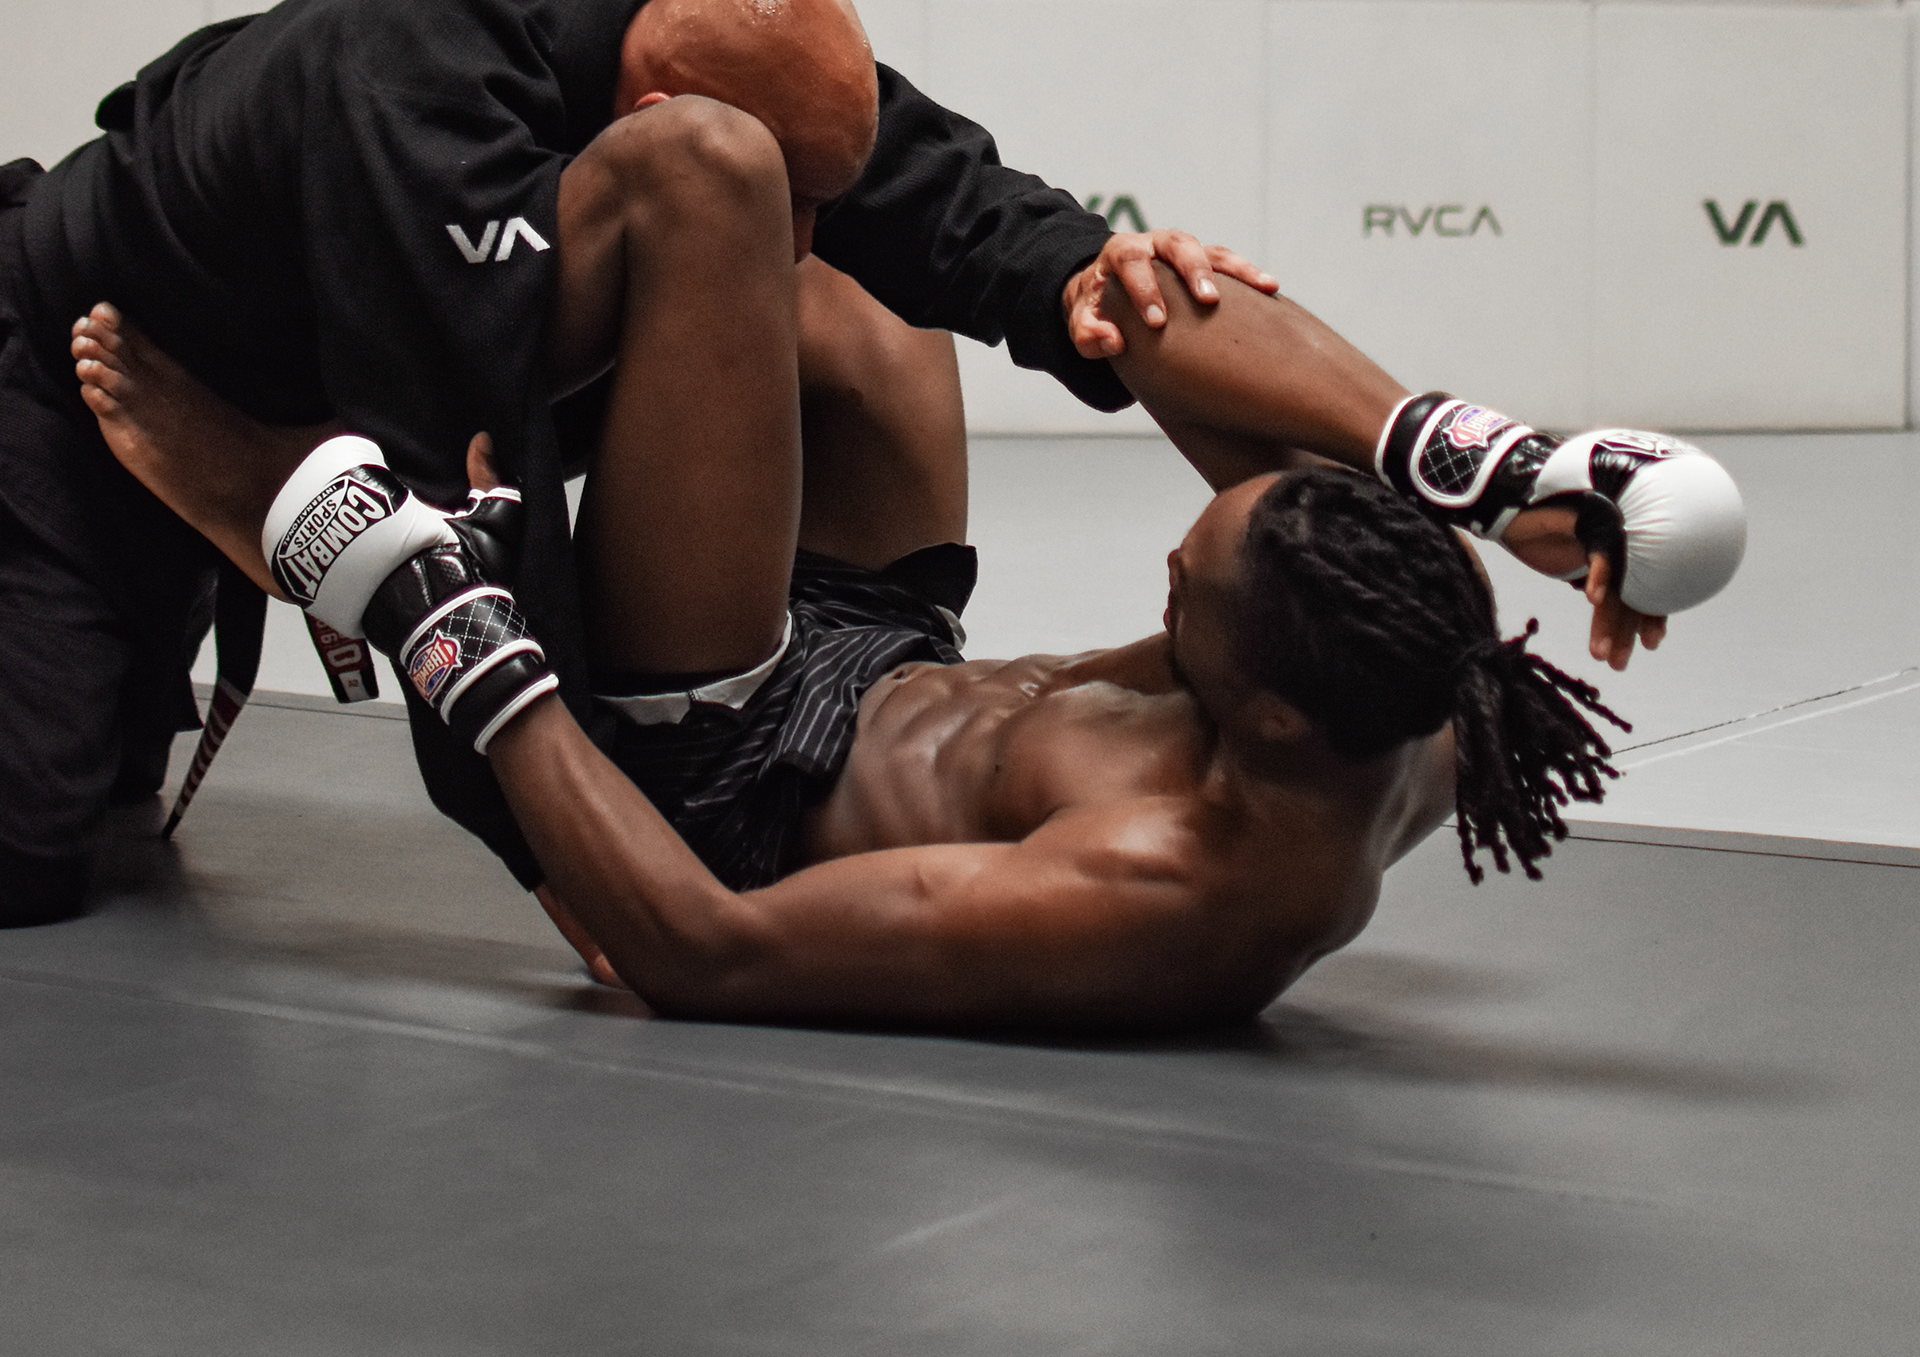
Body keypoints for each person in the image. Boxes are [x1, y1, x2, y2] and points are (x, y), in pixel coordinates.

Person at [68, 81, 1744, 1036]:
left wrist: (460, 640)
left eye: (1184, 592)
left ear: (1274, 717)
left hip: (714, 762)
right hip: (887, 646)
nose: (1170, 558)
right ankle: (1479, 453)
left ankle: (334, 507)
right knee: (909, 231)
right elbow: (1268, 494)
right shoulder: (1401, 670)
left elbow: (695, 955)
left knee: (705, 174)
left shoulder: (1162, 891)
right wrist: (1541, 509)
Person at [0, 0, 1265, 926]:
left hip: (764, 713)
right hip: (82, 349)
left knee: (86, 810)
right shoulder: (425, 87)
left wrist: (1078, 269)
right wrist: (560, 860)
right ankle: (246, 502)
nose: (795, 248)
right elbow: (458, 475)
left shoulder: (1192, 851)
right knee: (27, 853)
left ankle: (241, 507)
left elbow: (913, 179)